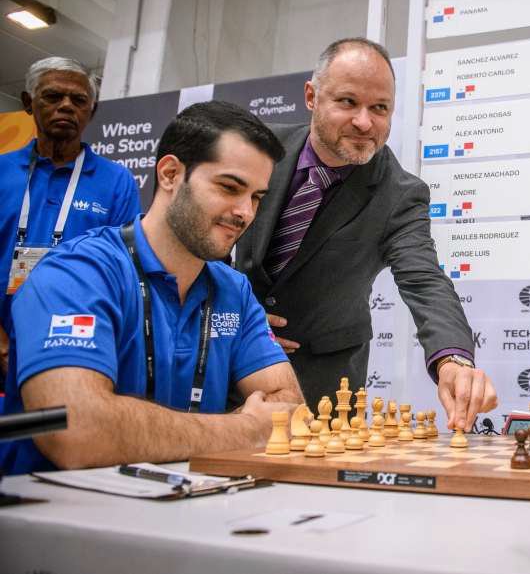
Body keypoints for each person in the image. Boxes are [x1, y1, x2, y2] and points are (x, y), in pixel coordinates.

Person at [0, 101, 303, 474]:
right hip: (53, 520)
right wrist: (242, 429)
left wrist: (135, 428)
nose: (246, 212)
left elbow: (289, 407)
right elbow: (72, 428)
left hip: (182, 512)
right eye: (229, 187)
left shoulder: (234, 291)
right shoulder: (78, 273)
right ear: (171, 174)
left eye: (256, 197)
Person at [236, 37, 497, 431]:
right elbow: (210, 241)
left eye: (380, 108)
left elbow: (424, 279)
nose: (364, 122)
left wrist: (453, 360)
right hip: (231, 358)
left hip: (323, 384)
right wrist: (236, 314)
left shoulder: (400, 194)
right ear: (311, 96)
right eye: (347, 102)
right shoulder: (258, 149)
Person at [0, 57, 141, 378]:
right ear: (27, 103)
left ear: (91, 111)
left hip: (72, 346)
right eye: (52, 97)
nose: (66, 106)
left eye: (79, 100)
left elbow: (122, 271)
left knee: (53, 426)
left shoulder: (117, 181)